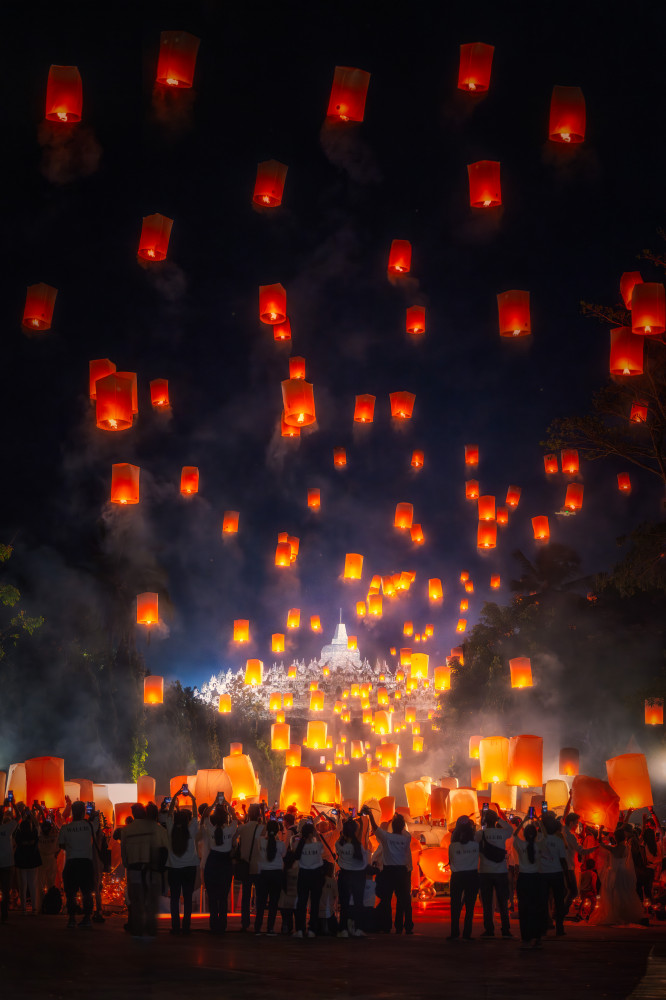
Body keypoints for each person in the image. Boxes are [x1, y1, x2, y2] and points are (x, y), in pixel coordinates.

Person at [120, 802, 169, 939]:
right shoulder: (158, 829)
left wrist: (128, 866)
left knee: (136, 902)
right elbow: (166, 850)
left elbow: (124, 855)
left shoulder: (126, 831)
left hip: (134, 870)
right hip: (153, 872)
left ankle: (136, 929)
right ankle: (150, 929)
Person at [365, 807, 414, 935]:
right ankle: (406, 926)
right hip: (402, 871)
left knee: (386, 900)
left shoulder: (386, 838)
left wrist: (370, 814)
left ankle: (387, 925)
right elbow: (402, 830)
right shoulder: (406, 837)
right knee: (404, 900)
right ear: (403, 826)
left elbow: (375, 828)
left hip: (389, 871)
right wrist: (399, 820)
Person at [590, 827, 647, 926]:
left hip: (614, 873)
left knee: (613, 894)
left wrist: (600, 831)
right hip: (624, 872)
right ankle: (624, 913)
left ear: (616, 838)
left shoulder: (614, 848)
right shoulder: (626, 848)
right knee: (624, 893)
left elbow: (601, 844)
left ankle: (615, 914)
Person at [474, 807, 513, 938]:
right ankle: (506, 930)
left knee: (487, 903)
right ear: (495, 820)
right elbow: (510, 829)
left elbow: (474, 842)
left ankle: (489, 930)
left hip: (485, 872)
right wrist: (499, 819)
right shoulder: (502, 833)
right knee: (503, 902)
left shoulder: (480, 834)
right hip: (501, 871)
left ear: (485, 820)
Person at [58, 801, 97, 928]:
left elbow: (61, 845)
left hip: (72, 862)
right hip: (86, 862)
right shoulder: (89, 826)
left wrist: (71, 847)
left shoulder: (65, 828)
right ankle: (87, 918)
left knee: (70, 893)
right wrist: (94, 814)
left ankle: (72, 918)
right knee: (87, 892)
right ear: (83, 812)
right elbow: (97, 827)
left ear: (73, 812)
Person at [166, 789, 199, 935]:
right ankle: (186, 926)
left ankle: (175, 926)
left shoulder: (171, 829)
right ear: (187, 820)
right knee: (187, 897)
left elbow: (169, 813)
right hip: (189, 869)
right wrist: (192, 798)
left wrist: (175, 796)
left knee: (174, 899)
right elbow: (197, 815)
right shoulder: (191, 829)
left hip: (173, 869)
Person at [202, 796, 237, 934]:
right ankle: (222, 925)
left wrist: (213, 804)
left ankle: (213, 924)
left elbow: (204, 815)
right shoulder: (230, 830)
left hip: (212, 862)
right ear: (225, 818)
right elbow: (234, 817)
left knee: (212, 896)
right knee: (223, 896)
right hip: (225, 863)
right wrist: (228, 805)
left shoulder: (210, 829)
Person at [512, 817, 545, 949]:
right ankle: (537, 936)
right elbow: (546, 834)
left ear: (524, 834)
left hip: (524, 879)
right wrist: (539, 821)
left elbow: (514, 834)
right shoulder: (539, 845)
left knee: (524, 909)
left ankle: (525, 936)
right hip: (537, 879)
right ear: (536, 834)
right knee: (537, 908)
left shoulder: (520, 844)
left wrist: (524, 821)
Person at [447, 815, 479, 942]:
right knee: (470, 907)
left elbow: (451, 861)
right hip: (472, 875)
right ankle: (467, 933)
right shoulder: (475, 845)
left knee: (455, 906)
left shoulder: (452, 846)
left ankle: (454, 932)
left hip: (457, 876)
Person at [336, 817, 368, 937]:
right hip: (358, 876)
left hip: (344, 875)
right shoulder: (358, 847)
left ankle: (343, 929)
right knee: (358, 902)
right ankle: (358, 928)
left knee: (344, 904)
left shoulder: (340, 845)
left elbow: (339, 842)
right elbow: (364, 862)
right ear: (355, 831)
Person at [235, 803, 265, 932]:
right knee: (260, 896)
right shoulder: (262, 828)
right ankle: (258, 924)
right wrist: (263, 813)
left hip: (245, 864)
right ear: (258, 814)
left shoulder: (242, 828)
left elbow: (233, 840)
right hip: (258, 865)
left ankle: (245, 922)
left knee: (246, 896)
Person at [254, 819, 286, 936]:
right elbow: (284, 855)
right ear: (278, 831)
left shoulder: (260, 842)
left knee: (261, 902)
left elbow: (259, 833)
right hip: (277, 874)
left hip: (263, 874)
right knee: (273, 903)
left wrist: (264, 825)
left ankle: (257, 928)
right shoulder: (281, 844)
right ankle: (270, 928)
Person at [293, 821, 324, 938]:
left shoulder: (298, 846)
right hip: (316, 875)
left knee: (301, 902)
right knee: (315, 903)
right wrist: (317, 835)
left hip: (303, 874)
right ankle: (312, 929)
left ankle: (300, 929)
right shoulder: (317, 845)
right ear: (312, 834)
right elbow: (322, 849)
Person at [14, 808, 42, 914]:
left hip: (22, 861)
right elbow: (38, 825)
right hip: (33, 860)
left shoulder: (19, 835)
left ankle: (24, 908)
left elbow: (16, 829)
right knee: (33, 884)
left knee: (23, 884)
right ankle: (34, 908)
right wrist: (32, 815)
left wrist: (23, 815)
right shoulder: (33, 834)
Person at [0, 799, 18, 923]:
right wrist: (13, 804)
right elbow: (19, 817)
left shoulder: (6, 827)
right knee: (6, 891)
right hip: (7, 863)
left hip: (6, 864)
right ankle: (4, 914)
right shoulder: (7, 827)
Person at [318, 859, 339, 935]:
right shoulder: (332, 881)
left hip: (317, 912)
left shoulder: (317, 881)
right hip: (329, 912)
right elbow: (335, 895)